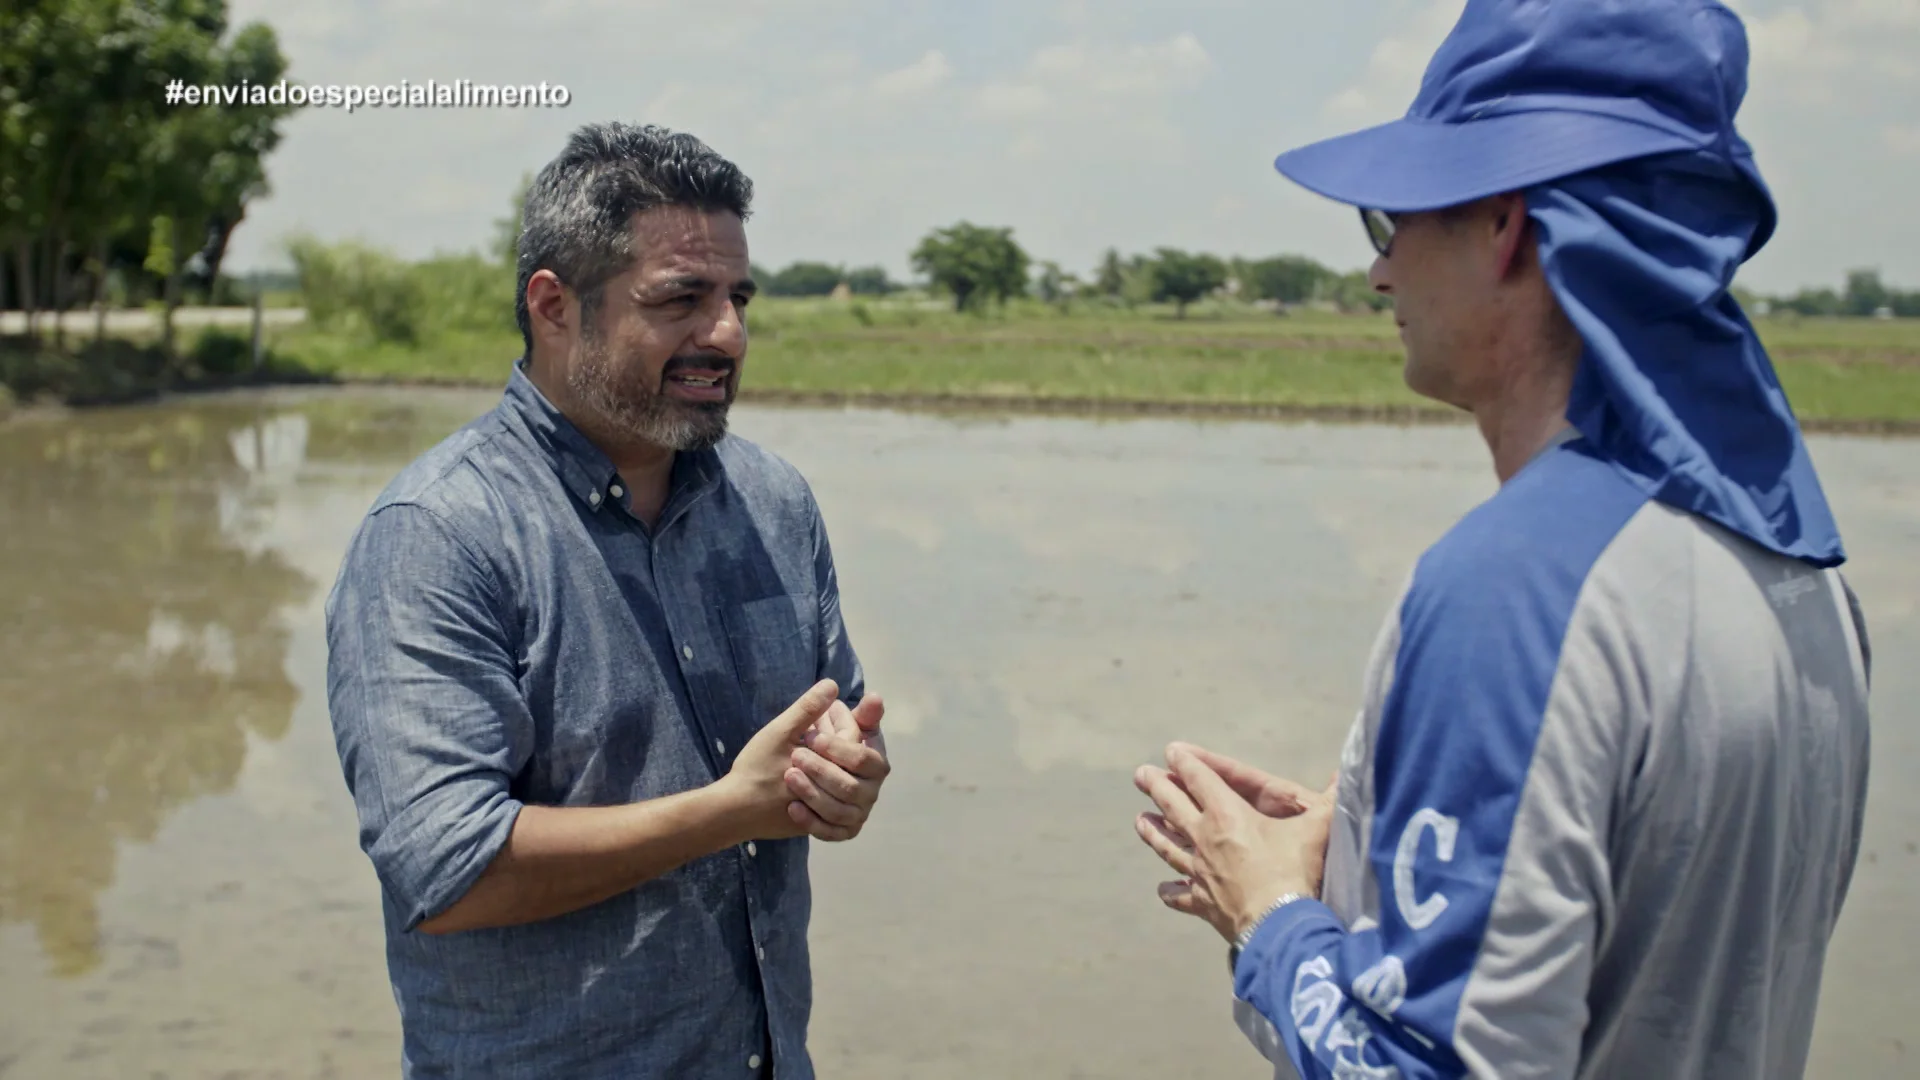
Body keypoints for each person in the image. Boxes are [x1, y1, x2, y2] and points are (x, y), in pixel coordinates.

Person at [1131, 2, 1873, 1077]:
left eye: (1392, 220)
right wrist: (1388, 838)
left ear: (1505, 223)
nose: (1380, 274)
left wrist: (1273, 916)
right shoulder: (1802, 573)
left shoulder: (1516, 588)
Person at [324, 122, 890, 1080]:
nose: (727, 335)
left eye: (737, 298)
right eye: (681, 300)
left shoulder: (774, 502)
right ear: (555, 305)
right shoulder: (438, 533)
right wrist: (728, 810)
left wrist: (846, 776)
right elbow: (448, 871)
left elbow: (834, 732)